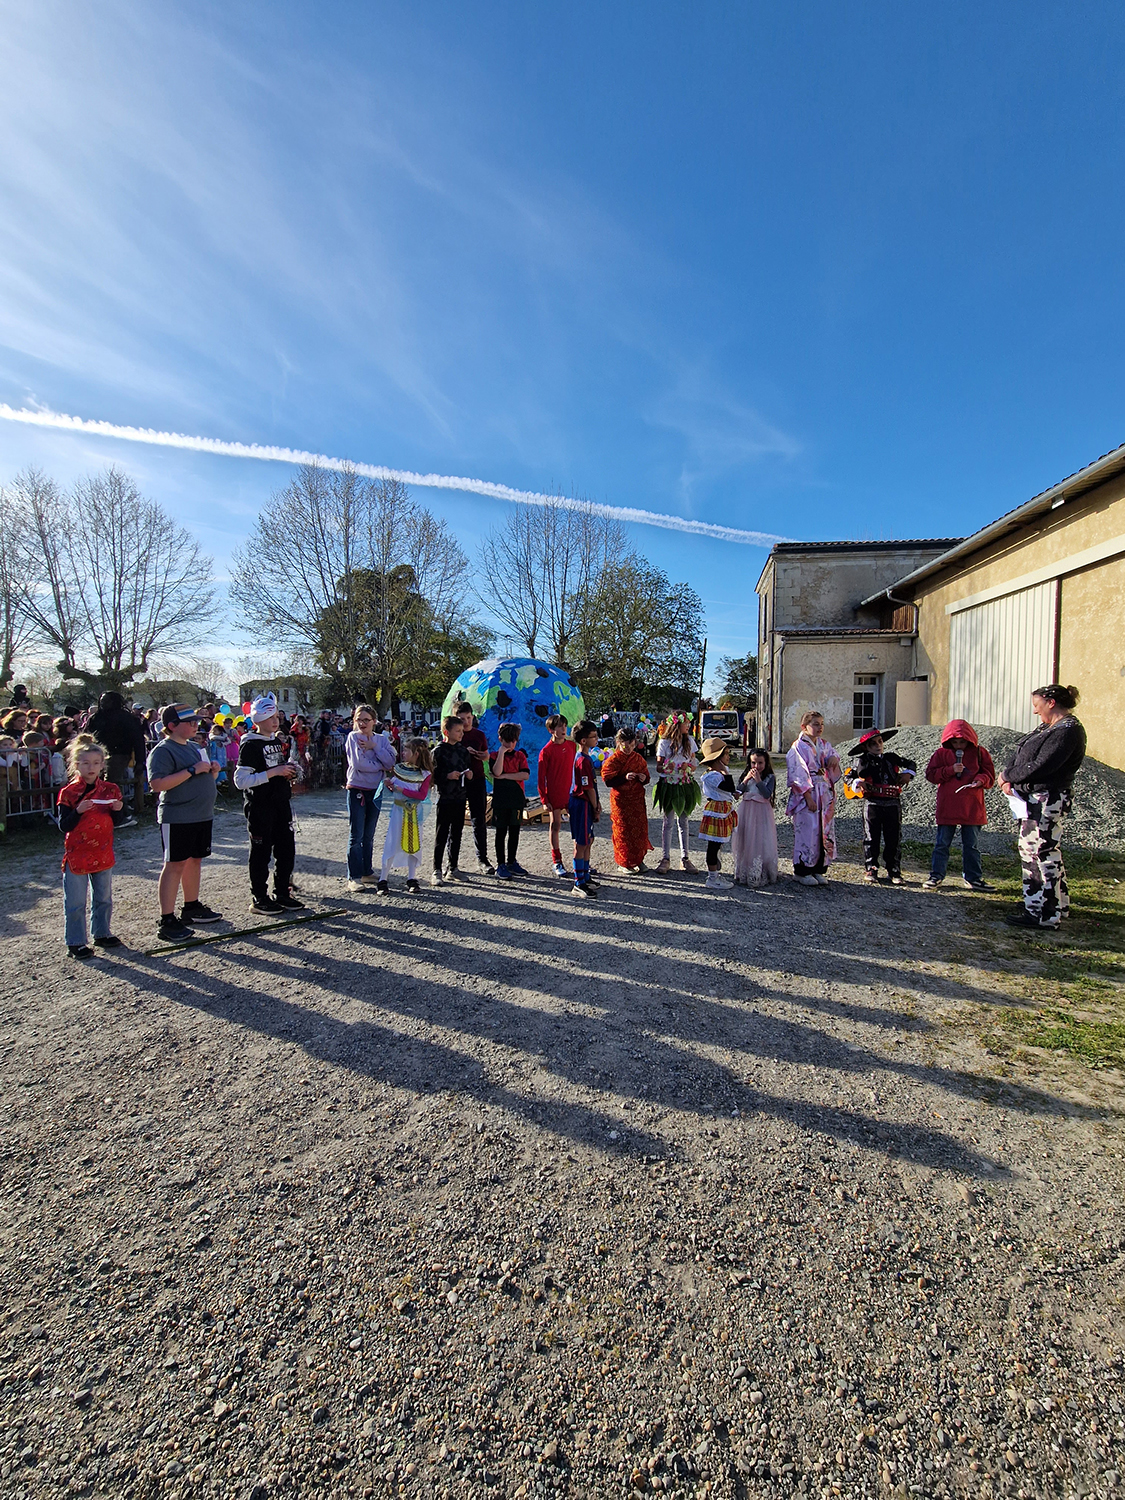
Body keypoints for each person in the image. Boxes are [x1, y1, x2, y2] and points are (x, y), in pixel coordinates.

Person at [1000, 684, 1087, 930]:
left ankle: (1043, 912)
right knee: (1043, 851)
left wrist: (1009, 776)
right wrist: (1008, 775)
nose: (1035, 712)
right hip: (1034, 800)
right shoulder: (1050, 728)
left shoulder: (1067, 731)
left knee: (1040, 852)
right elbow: (1022, 753)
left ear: (1051, 703)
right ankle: (1052, 903)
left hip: (1046, 800)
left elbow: (1042, 765)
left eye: (1037, 706)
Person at [146, 704, 223, 942]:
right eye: (189, 722)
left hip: (201, 815)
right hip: (178, 817)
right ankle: (166, 919)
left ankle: (191, 906)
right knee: (174, 864)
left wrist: (212, 771)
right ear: (172, 726)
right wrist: (192, 770)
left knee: (195, 860)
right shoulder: (163, 750)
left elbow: (203, 776)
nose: (195, 725)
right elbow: (157, 784)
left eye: (196, 721)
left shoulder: (194, 747)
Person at [235, 694, 304, 915]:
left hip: (280, 803)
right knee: (261, 852)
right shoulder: (250, 744)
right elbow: (241, 780)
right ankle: (259, 897)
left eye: (276, 716)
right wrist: (273, 772)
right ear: (258, 720)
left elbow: (277, 769)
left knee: (286, 850)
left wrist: (290, 773)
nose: (275, 721)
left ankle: (282, 892)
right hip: (260, 806)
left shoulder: (275, 741)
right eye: (269, 717)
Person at [57, 735, 123, 958]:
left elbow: (118, 821)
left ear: (103, 764)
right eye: (85, 763)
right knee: (75, 902)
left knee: (104, 897)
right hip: (78, 852)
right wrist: (77, 811)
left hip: (102, 850)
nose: (91, 767)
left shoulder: (111, 790)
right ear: (76, 765)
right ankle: (75, 941)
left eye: (96, 763)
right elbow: (64, 825)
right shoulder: (69, 793)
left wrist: (118, 810)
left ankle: (102, 933)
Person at [923, 719, 996, 891]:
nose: (958, 746)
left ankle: (973, 878)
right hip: (948, 806)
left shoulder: (980, 753)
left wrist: (980, 780)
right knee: (942, 843)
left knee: (971, 845)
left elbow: (989, 774)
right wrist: (950, 770)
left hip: (972, 806)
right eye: (954, 742)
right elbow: (931, 775)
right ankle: (936, 875)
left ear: (970, 740)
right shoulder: (941, 754)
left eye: (962, 742)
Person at [846, 727, 917, 885]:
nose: (878, 745)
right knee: (871, 837)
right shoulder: (861, 761)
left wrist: (908, 773)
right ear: (866, 747)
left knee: (894, 837)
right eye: (873, 744)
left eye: (880, 742)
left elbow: (911, 764)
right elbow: (848, 777)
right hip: (872, 802)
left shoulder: (892, 758)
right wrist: (857, 782)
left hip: (893, 802)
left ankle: (894, 869)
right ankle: (871, 867)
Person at [344, 704, 397, 893]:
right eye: (359, 719)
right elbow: (359, 763)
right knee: (356, 834)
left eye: (366, 720)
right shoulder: (353, 737)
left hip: (376, 790)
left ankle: (366, 870)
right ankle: (354, 876)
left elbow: (391, 762)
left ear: (374, 721)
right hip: (357, 788)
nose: (362, 723)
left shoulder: (381, 740)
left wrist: (375, 748)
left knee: (369, 835)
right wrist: (380, 766)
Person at [786, 710, 841, 886]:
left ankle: (819, 868)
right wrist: (807, 797)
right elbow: (797, 774)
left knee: (824, 830)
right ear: (804, 726)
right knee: (807, 831)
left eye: (821, 724)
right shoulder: (798, 747)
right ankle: (802, 870)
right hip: (808, 792)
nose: (820, 727)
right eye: (815, 724)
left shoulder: (824, 744)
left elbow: (834, 755)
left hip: (823, 791)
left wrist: (834, 758)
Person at [377, 737, 433, 894]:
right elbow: (394, 787)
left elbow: (421, 795)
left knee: (413, 843)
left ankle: (411, 877)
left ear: (416, 753)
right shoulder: (399, 770)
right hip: (398, 812)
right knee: (392, 842)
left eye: (406, 750)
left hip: (414, 813)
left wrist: (402, 790)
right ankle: (383, 879)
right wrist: (389, 785)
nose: (403, 753)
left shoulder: (425, 774)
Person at [86, 690, 148, 826]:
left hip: (118, 754)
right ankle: (99, 812)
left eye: (106, 700)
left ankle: (120, 815)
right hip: (96, 755)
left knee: (111, 783)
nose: (103, 703)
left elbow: (138, 740)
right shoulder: (96, 718)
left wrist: (140, 761)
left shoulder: (126, 718)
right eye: (102, 700)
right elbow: (87, 735)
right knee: (95, 783)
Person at [600, 725, 653, 874]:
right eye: (625, 745)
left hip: (637, 801)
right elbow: (608, 781)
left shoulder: (638, 759)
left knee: (639, 830)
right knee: (623, 831)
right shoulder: (613, 760)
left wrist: (643, 778)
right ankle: (624, 863)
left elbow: (647, 778)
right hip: (621, 802)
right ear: (618, 743)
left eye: (632, 745)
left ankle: (639, 860)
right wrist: (624, 777)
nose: (629, 748)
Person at [653, 712, 700, 873]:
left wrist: (689, 767)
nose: (688, 725)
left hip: (684, 784)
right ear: (676, 724)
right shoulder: (664, 742)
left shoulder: (690, 741)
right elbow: (658, 767)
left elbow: (694, 764)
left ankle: (685, 858)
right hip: (669, 784)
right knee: (668, 822)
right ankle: (665, 858)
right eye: (685, 723)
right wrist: (667, 766)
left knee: (684, 821)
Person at [432, 715, 472, 886]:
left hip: (460, 797)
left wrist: (469, 774)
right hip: (445, 798)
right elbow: (431, 776)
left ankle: (453, 867)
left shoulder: (463, 751)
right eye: (458, 731)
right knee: (441, 834)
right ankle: (436, 869)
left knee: (457, 834)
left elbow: (467, 768)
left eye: (462, 731)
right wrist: (447, 776)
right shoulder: (438, 751)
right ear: (446, 732)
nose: (461, 734)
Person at [456, 702, 494, 874]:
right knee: (455, 822)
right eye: (461, 719)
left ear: (472, 717)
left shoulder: (479, 735)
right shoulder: (453, 735)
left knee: (479, 820)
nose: (466, 722)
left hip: (477, 779)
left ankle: (482, 859)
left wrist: (482, 755)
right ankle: (452, 863)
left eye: (468, 718)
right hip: (458, 782)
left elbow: (486, 754)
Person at [731, 748, 779, 886]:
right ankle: (743, 870)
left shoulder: (770, 777)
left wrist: (758, 780)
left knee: (760, 838)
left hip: (761, 811)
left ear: (766, 763)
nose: (756, 766)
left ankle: (760, 870)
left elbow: (767, 794)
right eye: (753, 763)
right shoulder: (746, 775)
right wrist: (746, 780)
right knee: (746, 837)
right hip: (746, 811)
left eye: (760, 763)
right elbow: (737, 793)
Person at [538, 714, 578, 878]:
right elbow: (541, 778)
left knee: (577, 826)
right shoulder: (546, 751)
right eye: (559, 726)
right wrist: (544, 799)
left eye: (565, 726)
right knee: (555, 825)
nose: (563, 729)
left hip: (572, 792)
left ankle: (580, 860)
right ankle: (557, 861)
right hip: (555, 793)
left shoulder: (572, 746)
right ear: (551, 730)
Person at [697, 737, 739, 890]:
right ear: (716, 758)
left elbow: (728, 789)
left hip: (723, 808)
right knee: (713, 844)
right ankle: (712, 877)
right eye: (725, 754)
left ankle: (715, 872)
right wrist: (724, 771)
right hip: (716, 810)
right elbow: (728, 786)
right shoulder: (712, 776)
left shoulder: (717, 774)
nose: (728, 757)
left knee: (718, 843)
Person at [490, 723, 531, 878]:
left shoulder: (520, 756)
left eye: (513, 741)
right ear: (500, 739)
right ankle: (500, 864)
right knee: (500, 832)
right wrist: (501, 752)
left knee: (514, 831)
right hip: (500, 801)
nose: (510, 745)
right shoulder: (494, 756)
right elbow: (496, 772)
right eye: (507, 741)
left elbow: (525, 775)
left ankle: (511, 861)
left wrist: (506, 776)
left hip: (516, 799)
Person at [568, 720, 602, 898]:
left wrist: (597, 803)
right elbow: (588, 788)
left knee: (589, 839)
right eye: (593, 736)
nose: (597, 739)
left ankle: (586, 875)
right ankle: (578, 882)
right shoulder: (582, 760)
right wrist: (595, 806)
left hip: (587, 803)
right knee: (581, 843)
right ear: (583, 740)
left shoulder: (587, 758)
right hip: (581, 803)